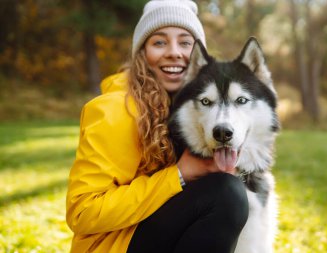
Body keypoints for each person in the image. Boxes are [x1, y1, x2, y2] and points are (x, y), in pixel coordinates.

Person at [66, 0, 249, 252]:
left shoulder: (195, 112)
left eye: (185, 42)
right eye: (159, 42)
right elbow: (82, 212)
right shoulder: (113, 109)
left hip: (156, 232)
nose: (174, 52)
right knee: (227, 195)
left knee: (227, 191)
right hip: (112, 245)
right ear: (142, 53)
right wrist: (180, 175)